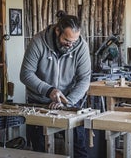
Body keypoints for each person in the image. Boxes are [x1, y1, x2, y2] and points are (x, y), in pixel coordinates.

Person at [20, 10, 91, 157]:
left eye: (74, 41)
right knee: (40, 151)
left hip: (68, 103)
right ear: (57, 30)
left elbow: (84, 79)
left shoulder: (81, 46)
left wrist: (67, 101)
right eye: (66, 40)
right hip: (39, 103)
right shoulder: (38, 42)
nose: (70, 45)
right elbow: (25, 74)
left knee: (78, 148)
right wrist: (49, 90)